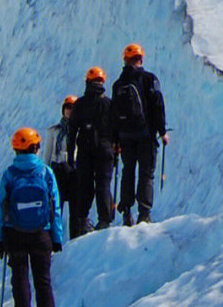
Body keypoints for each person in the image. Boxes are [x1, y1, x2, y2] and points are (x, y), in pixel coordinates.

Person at [0, 127, 63, 307]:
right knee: (43, 279)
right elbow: (55, 207)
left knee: (20, 278)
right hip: (41, 233)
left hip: (15, 233)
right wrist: (57, 237)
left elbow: (1, 208)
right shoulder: (45, 172)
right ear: (35, 147)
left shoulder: (9, 174)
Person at [110, 43, 168, 225]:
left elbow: (113, 114)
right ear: (141, 59)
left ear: (125, 61)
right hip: (146, 134)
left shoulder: (118, 84)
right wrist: (162, 131)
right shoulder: (149, 79)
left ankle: (126, 211)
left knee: (128, 172)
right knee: (146, 173)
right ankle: (144, 213)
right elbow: (157, 105)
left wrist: (115, 139)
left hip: (125, 136)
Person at [68, 67, 114, 233]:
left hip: (85, 150)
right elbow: (115, 128)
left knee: (84, 186)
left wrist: (70, 154)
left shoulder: (79, 104)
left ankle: (82, 220)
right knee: (103, 185)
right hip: (104, 149)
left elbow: (72, 130)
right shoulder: (109, 103)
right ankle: (104, 220)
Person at [42, 95, 77, 233]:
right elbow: (47, 155)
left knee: (75, 209)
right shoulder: (54, 131)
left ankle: (76, 239)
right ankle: (54, 239)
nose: (69, 111)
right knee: (56, 207)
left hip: (74, 171)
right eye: (67, 108)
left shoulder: (78, 131)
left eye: (72, 108)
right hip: (58, 170)